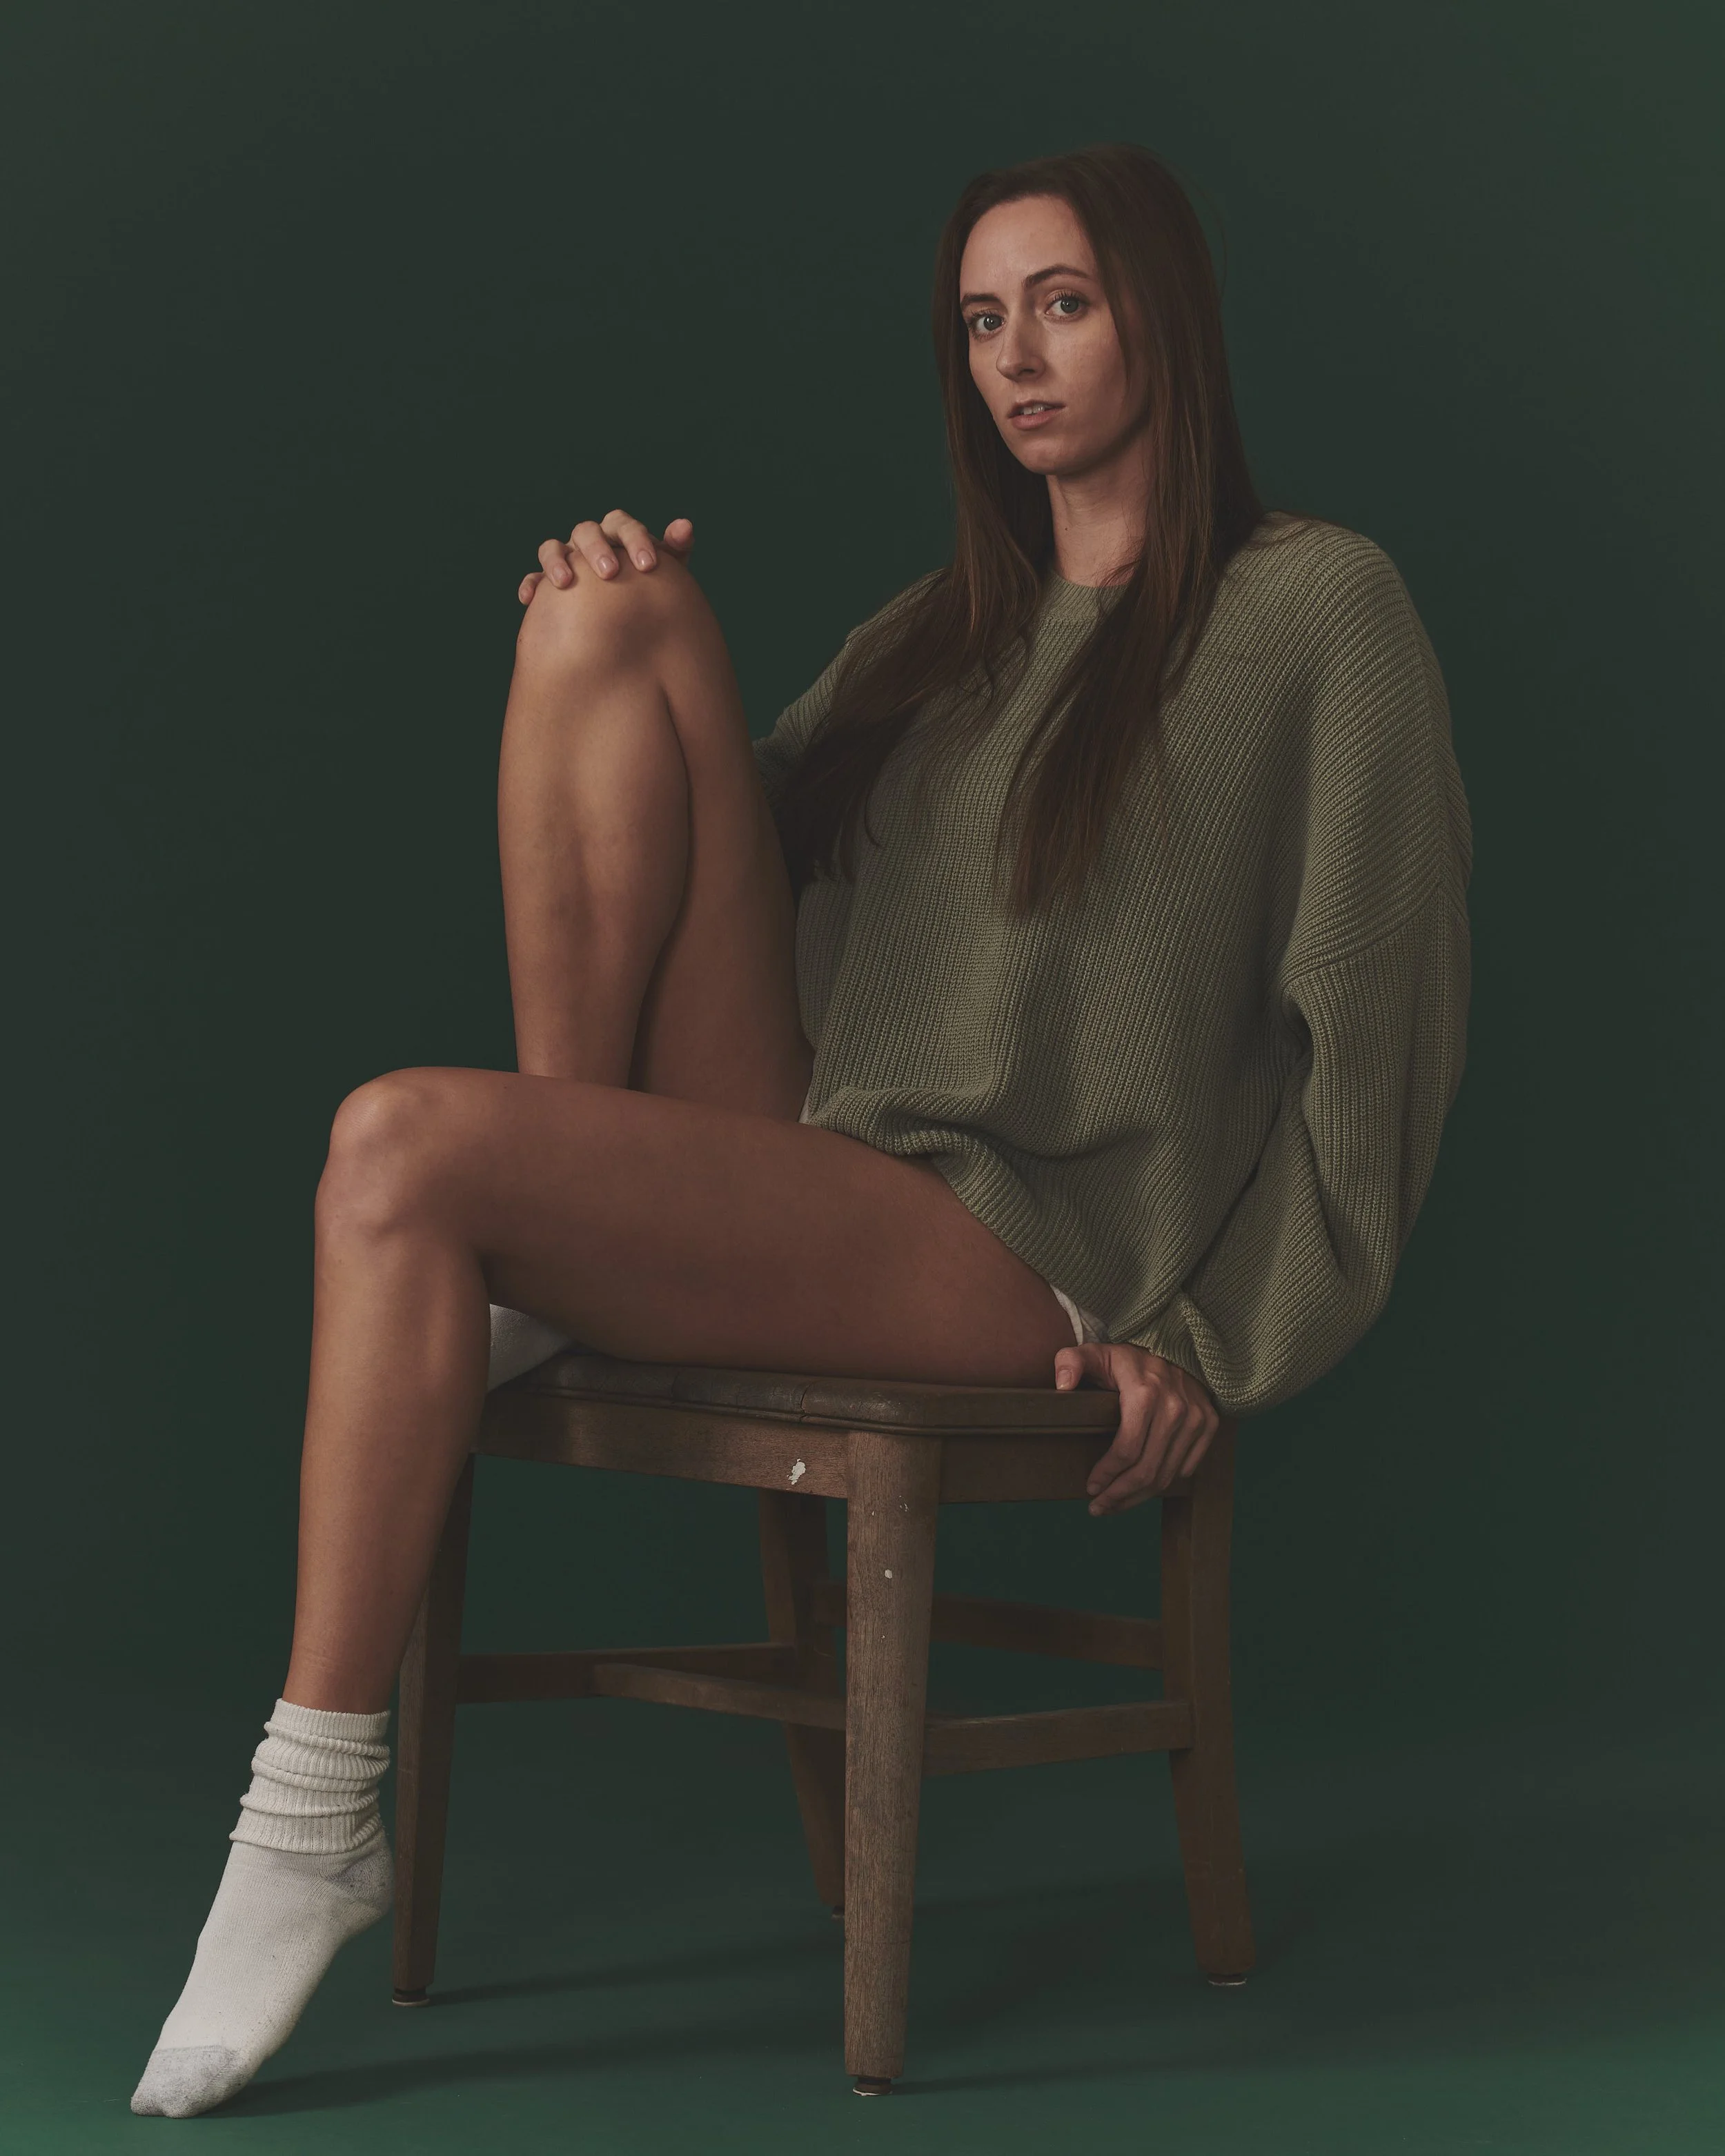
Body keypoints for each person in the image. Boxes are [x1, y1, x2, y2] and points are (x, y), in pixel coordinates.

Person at [130, 141, 1470, 2117]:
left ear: (1165, 316)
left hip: (1013, 1241)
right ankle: (547, 1257)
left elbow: (1380, 1035)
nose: (1016, 359)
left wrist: (1209, 1342)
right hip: (823, 1151)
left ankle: (309, 1810)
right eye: (981, 322)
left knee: (398, 1147)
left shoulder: (1315, 612)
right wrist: (603, 615)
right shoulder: (946, 624)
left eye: (1064, 304)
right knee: (612, 621)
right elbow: (692, 860)